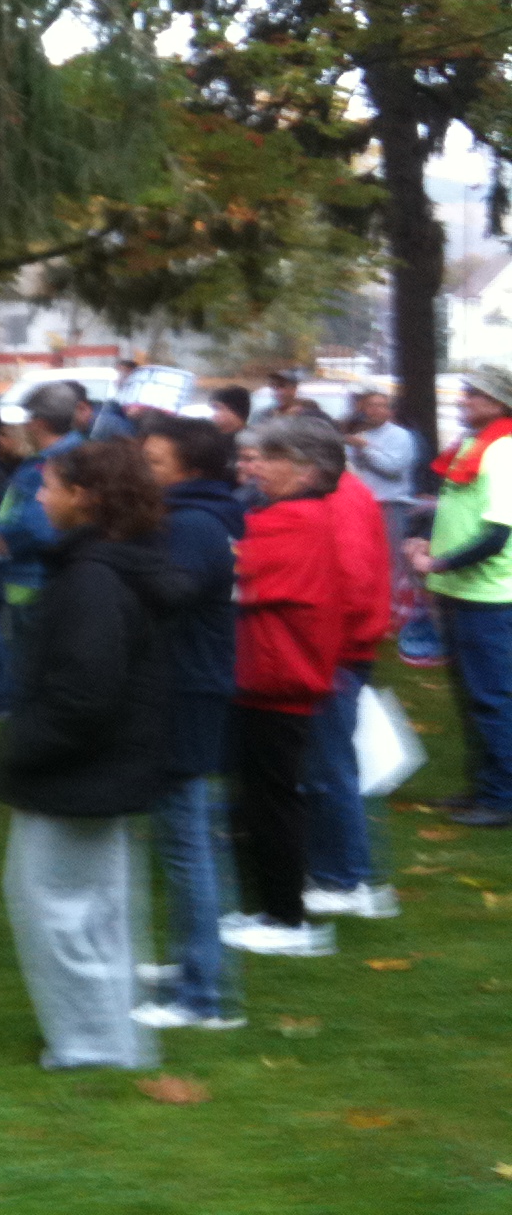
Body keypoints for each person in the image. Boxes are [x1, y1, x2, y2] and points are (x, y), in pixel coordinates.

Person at [0, 438, 185, 1069]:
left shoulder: (93, 580)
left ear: (86, 496)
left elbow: (85, 692)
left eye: (49, 486)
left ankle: (93, 1044)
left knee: (64, 915)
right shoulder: (102, 568)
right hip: (96, 765)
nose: (40, 497)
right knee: (89, 909)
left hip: (79, 769)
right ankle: (103, 1038)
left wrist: (24, 748)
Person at [136, 418, 245, 1029]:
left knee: (187, 845)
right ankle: (197, 966)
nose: (144, 471)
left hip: (186, 688)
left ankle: (203, 996)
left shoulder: (194, 522)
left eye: (154, 462)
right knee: (195, 839)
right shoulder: (203, 517)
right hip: (191, 684)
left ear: (191, 469)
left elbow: (169, 594)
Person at [223, 415, 346, 956]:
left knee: (272, 799)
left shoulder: (293, 519)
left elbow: (236, 574)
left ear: (305, 469)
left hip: (278, 677)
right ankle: (277, 909)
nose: (258, 467)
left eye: (270, 458)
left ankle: (285, 917)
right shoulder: (295, 514)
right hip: (276, 675)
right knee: (267, 796)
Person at [409, 364, 512, 828]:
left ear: (498, 403)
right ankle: (483, 787)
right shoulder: (472, 443)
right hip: (460, 593)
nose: (461, 399)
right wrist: (424, 539)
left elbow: (498, 533)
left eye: (473, 395)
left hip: (490, 596)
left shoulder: (505, 449)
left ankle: (502, 796)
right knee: (474, 699)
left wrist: (442, 563)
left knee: (493, 699)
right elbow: (454, 508)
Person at [303, 447, 396, 916]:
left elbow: (354, 587)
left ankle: (345, 880)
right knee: (328, 764)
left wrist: (316, 639)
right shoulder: (344, 494)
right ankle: (346, 872)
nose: (252, 468)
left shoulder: (340, 498)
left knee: (329, 767)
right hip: (335, 651)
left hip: (334, 654)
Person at [0, 381, 86, 621]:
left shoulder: (52, 465)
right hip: (34, 578)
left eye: (29, 418)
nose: (25, 425)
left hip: (29, 582)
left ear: (40, 424)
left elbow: (39, 528)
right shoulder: (76, 454)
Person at [344, 390, 417, 603]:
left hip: (390, 504)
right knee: (368, 556)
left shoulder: (400, 436)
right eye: (370, 405)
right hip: (364, 505)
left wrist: (365, 449)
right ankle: (373, 602)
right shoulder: (361, 436)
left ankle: (395, 606)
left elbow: (393, 468)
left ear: (390, 410)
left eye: (381, 405)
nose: (375, 410)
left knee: (392, 558)